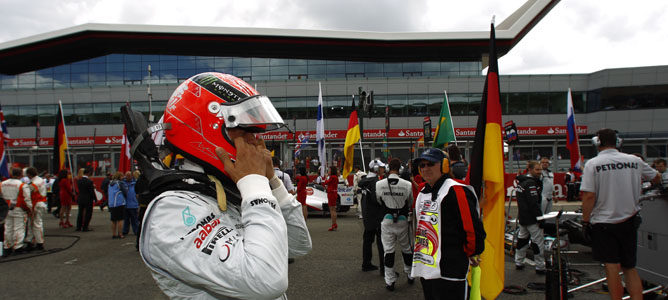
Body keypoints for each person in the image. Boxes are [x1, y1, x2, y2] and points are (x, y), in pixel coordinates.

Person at [138, 72, 311, 299]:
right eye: (247, 130)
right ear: (206, 128)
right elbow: (266, 281)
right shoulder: (170, 213)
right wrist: (255, 184)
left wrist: (273, 184)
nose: (256, 141)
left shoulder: (229, 191)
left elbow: (298, 245)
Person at [580, 128, 660, 300]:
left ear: (597, 142)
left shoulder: (593, 164)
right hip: (629, 220)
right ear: (618, 142)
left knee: (611, 267)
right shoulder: (634, 160)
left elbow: (588, 195)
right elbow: (656, 177)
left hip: (604, 222)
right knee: (630, 267)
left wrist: (585, 221)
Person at [411, 148, 485, 299]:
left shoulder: (456, 190)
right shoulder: (423, 191)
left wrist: (473, 251)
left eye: (430, 164)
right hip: (427, 266)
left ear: (444, 166)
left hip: (451, 267)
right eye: (422, 165)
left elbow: (471, 227)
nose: (425, 168)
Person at [375, 158, 414, 291]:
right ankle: (410, 274)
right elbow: (410, 202)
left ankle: (390, 281)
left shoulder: (379, 184)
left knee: (389, 251)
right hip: (403, 220)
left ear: (387, 168)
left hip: (387, 220)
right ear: (400, 169)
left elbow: (379, 200)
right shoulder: (407, 184)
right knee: (407, 249)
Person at [513, 160, 547, 274]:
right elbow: (533, 203)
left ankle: (518, 262)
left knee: (522, 241)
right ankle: (540, 266)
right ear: (530, 170)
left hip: (523, 217)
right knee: (537, 242)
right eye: (537, 169)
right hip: (532, 219)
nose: (539, 172)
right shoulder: (530, 183)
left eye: (541, 169)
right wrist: (540, 218)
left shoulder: (522, 181)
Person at [358, 158, 386, 274]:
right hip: (376, 216)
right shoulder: (374, 182)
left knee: (368, 240)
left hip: (367, 215)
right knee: (381, 242)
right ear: (375, 169)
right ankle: (384, 268)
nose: (383, 169)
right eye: (381, 167)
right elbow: (376, 200)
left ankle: (366, 263)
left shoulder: (365, 180)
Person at [2, 168, 29, 256]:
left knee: (8, 228)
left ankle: (7, 247)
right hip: (19, 208)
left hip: (6, 209)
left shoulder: (3, 184)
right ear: (21, 174)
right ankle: (18, 247)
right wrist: (29, 209)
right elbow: (27, 199)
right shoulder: (22, 185)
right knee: (19, 228)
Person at [23, 167, 48, 251]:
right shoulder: (40, 180)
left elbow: (27, 194)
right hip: (40, 203)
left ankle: (39, 243)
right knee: (33, 223)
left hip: (36, 204)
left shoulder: (33, 184)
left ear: (29, 174)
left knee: (36, 224)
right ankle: (31, 241)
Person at [107, 172, 127, 239]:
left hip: (112, 203)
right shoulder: (120, 183)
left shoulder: (110, 183)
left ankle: (114, 234)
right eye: (122, 176)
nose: (123, 177)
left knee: (113, 220)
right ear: (119, 177)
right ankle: (120, 234)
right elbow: (125, 191)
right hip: (119, 202)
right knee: (120, 219)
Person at [122, 171, 139, 236]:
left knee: (134, 220)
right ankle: (125, 231)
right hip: (125, 205)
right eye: (127, 175)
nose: (128, 177)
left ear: (131, 176)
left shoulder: (135, 183)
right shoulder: (122, 183)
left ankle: (136, 231)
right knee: (126, 220)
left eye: (129, 175)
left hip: (133, 204)